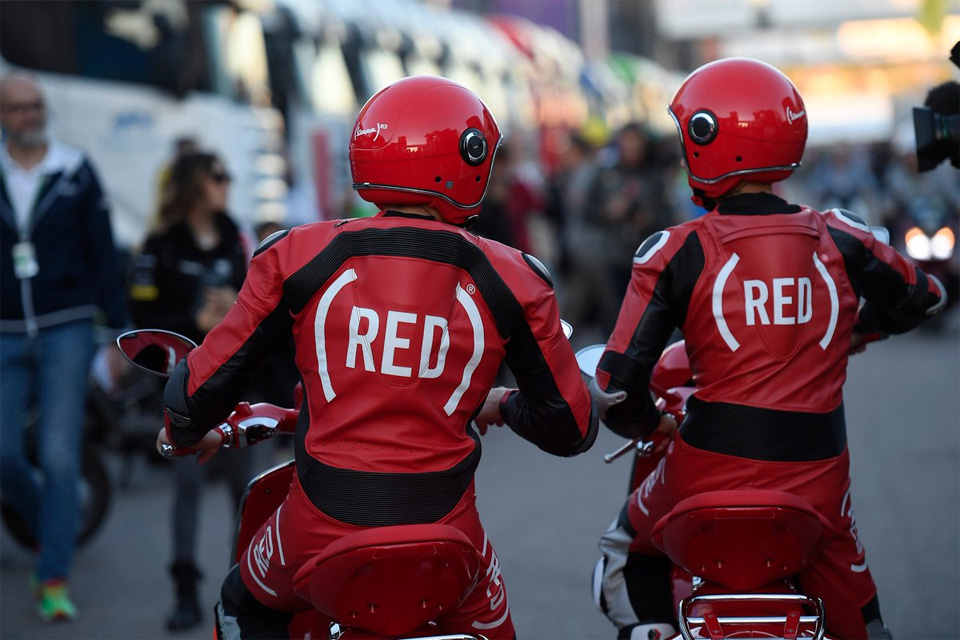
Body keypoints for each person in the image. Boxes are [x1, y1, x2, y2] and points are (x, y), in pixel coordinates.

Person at [154, 75, 598, 639]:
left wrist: (183, 427)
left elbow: (197, 393)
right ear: (471, 159)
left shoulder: (294, 254)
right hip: (451, 541)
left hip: (318, 529)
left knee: (241, 603)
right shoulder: (516, 275)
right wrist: (502, 403)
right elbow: (572, 427)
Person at [590, 58, 947, 640]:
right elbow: (926, 298)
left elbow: (616, 385)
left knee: (624, 550)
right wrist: (858, 329)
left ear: (706, 140)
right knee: (868, 627)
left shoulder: (673, 250)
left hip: (700, 477)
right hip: (820, 492)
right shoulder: (842, 235)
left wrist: (650, 423)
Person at [0, 72, 127, 621]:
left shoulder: (74, 170)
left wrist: (119, 337)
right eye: (18, 108)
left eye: (36, 106)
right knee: (4, 453)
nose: (30, 115)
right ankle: (55, 517)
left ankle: (53, 574)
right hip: (4, 330)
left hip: (68, 328)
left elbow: (104, 255)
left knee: (56, 454)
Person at [127, 150, 261, 631]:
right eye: (217, 176)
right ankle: (184, 590)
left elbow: (261, 306)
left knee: (244, 492)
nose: (227, 183)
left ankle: (241, 594)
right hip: (183, 387)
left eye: (228, 174)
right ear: (192, 185)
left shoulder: (236, 235)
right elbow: (141, 325)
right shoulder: (160, 244)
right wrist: (194, 323)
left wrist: (234, 306)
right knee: (187, 488)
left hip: (233, 384)